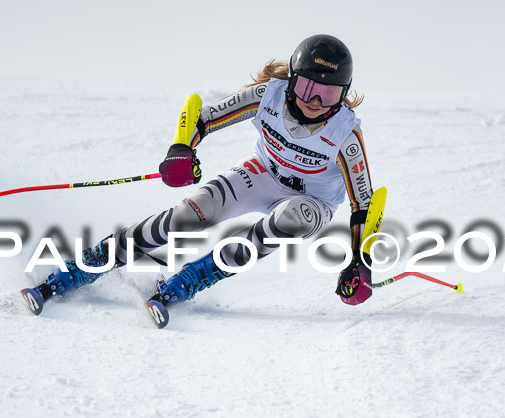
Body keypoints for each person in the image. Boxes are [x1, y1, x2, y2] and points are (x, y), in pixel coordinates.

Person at [21, 34, 375, 325]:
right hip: (264, 173)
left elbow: (364, 204)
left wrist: (360, 262)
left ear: (343, 95)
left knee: (289, 221)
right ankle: (85, 266)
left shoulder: (345, 134)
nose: (315, 101)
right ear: (293, 79)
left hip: (312, 200)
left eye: (328, 94)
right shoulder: (269, 96)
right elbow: (203, 118)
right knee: (189, 215)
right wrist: (181, 150)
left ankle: (190, 280)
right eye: (308, 87)